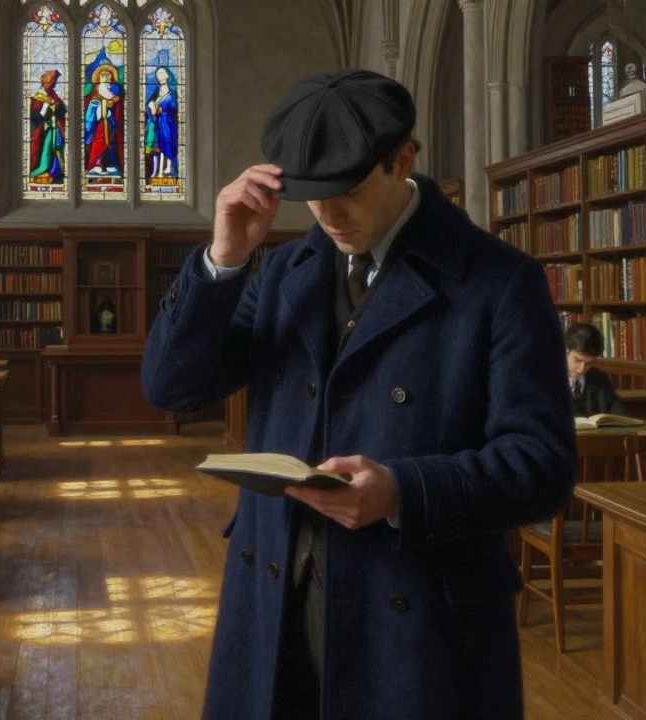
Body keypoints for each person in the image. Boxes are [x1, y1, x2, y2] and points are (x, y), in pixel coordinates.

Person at [141, 69, 577, 720]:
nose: (329, 215)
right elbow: (171, 386)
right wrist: (223, 259)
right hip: (275, 608)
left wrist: (404, 490)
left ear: (403, 160)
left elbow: (544, 466)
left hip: (417, 623)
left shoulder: (499, 283)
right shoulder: (286, 271)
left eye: (347, 189)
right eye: (312, 196)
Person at [564, 322, 629, 417]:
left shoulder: (600, 379)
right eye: (577, 360)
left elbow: (622, 417)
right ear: (565, 352)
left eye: (588, 363)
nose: (581, 370)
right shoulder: (545, 380)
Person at [83, 63, 124, 177]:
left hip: (110, 121)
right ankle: (97, 163)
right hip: (99, 122)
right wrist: (97, 106)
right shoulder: (96, 89)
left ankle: (111, 164)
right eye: (103, 76)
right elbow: (92, 103)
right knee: (98, 141)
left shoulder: (115, 90)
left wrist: (113, 103)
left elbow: (116, 104)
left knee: (111, 142)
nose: (106, 78)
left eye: (108, 76)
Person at [28, 68, 66, 186]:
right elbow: (35, 117)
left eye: (54, 82)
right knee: (46, 149)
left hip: (56, 129)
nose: (53, 84)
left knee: (57, 148)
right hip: (46, 129)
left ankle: (56, 171)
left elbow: (63, 110)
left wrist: (57, 107)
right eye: (52, 82)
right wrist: (46, 107)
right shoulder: (38, 97)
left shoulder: (54, 96)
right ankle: (43, 169)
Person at [145, 66, 179, 181]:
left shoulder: (172, 92)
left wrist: (163, 109)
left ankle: (168, 168)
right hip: (158, 123)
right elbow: (149, 109)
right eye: (158, 74)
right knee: (158, 145)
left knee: (167, 143)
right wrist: (152, 107)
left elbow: (175, 107)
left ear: (168, 75)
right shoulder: (155, 93)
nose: (161, 75)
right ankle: (158, 171)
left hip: (168, 122)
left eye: (163, 73)